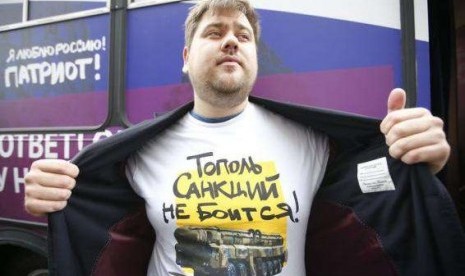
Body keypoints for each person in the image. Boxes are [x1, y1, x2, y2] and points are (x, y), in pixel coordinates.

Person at [24, 0, 460, 275]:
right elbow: (95, 225)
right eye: (214, 32)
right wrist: (53, 192)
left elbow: (380, 194)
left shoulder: (314, 142)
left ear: (254, 56)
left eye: (243, 35)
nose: (230, 40)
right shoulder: (136, 153)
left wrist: (417, 164)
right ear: (186, 57)